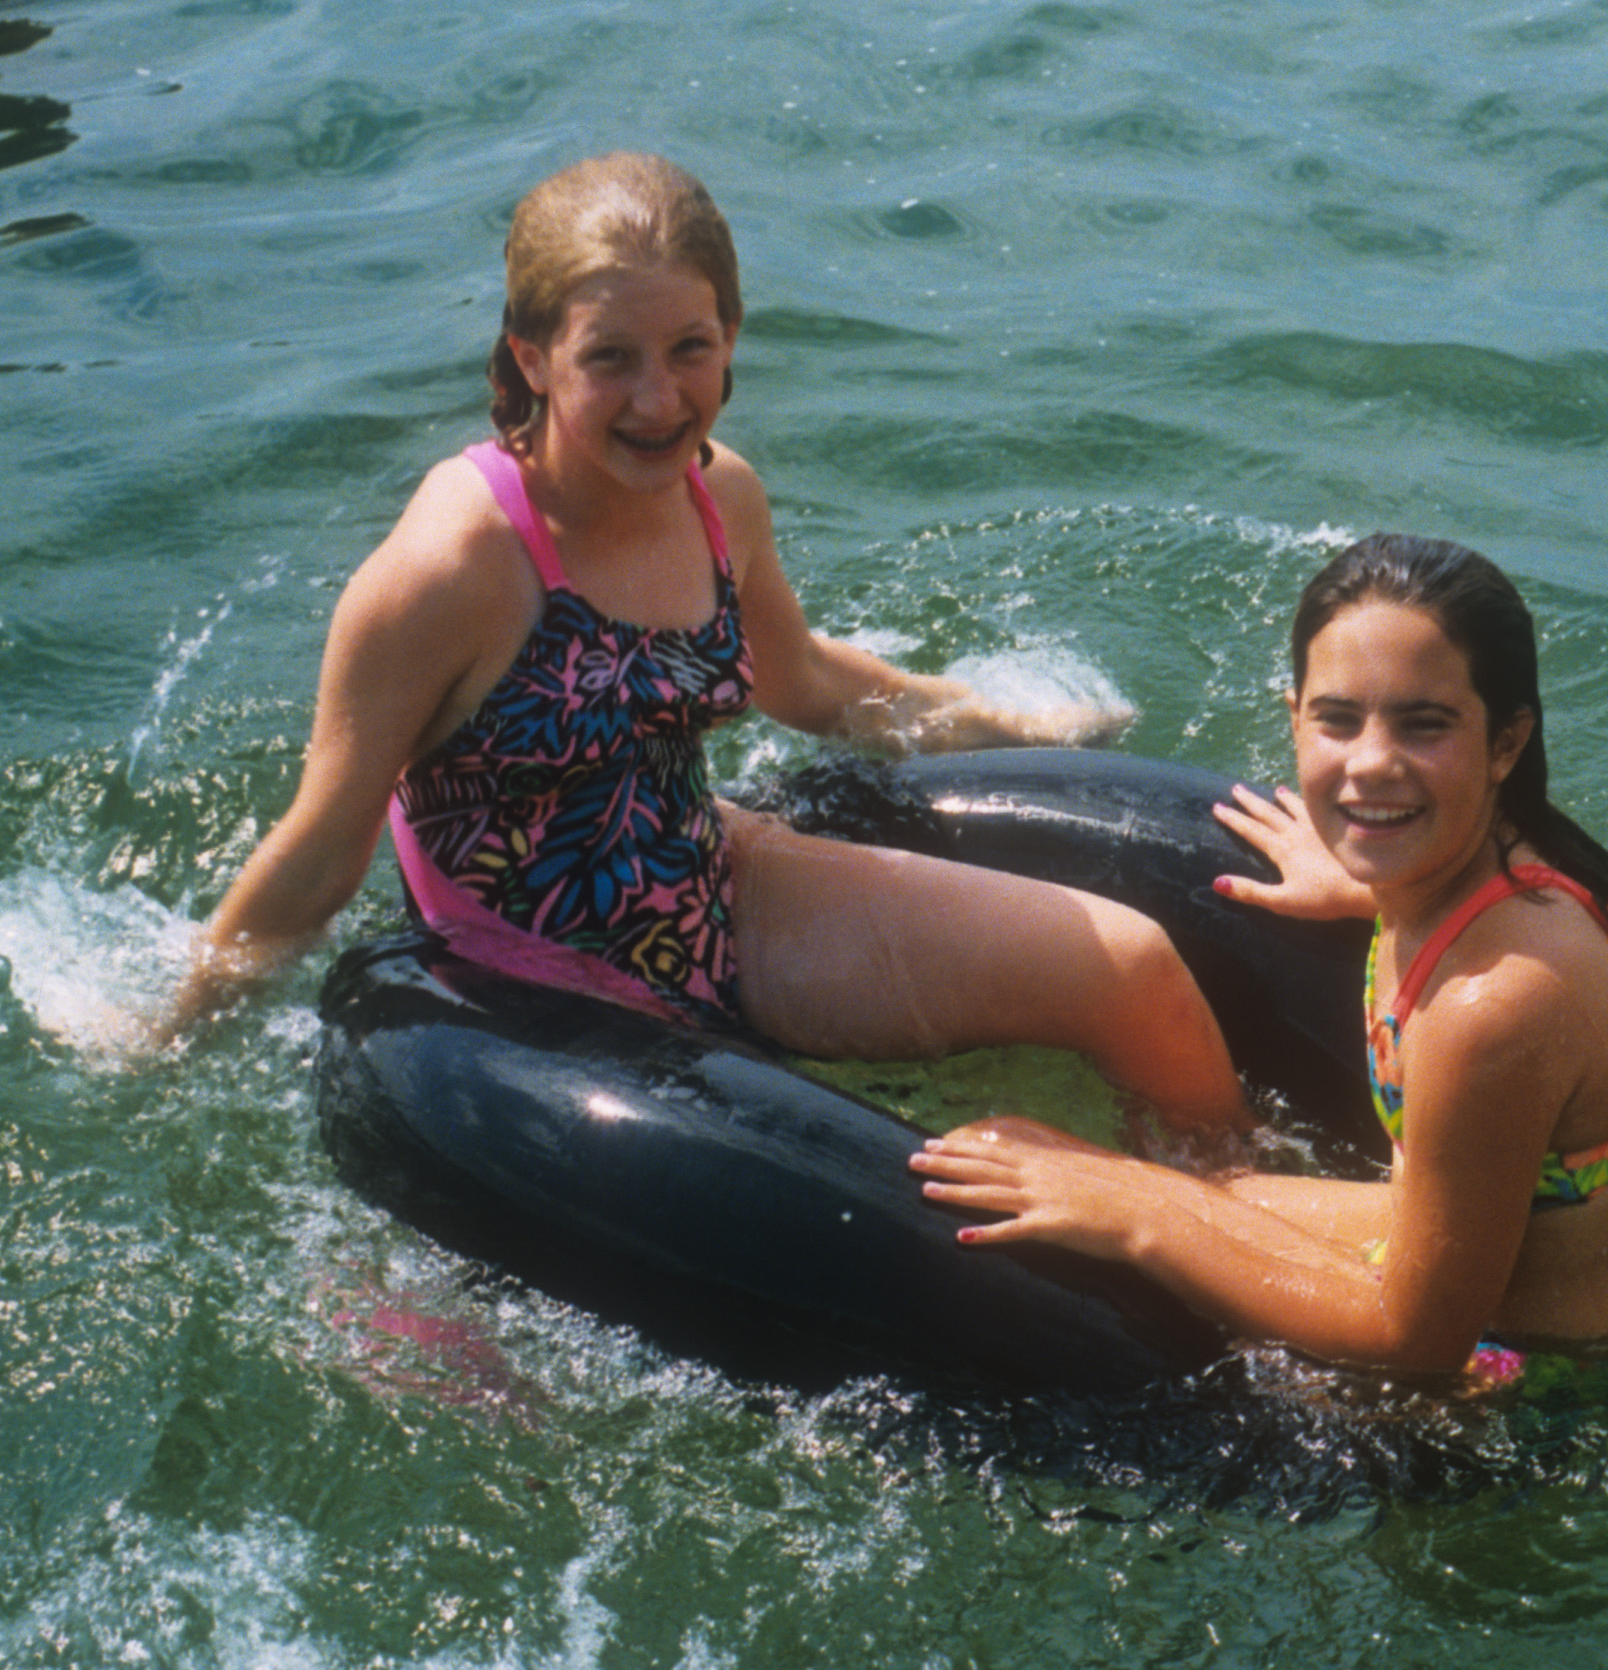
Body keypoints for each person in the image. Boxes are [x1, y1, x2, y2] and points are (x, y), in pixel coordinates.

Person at [156, 151, 1249, 1137]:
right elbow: (322, 848)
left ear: (731, 334)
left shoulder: (721, 499)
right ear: (532, 358)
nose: (658, 399)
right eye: (610, 358)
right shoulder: (454, 569)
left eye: (691, 348)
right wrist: (169, 1031)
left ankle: (1239, 1200)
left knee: (1131, 967)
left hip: (716, 889)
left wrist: (1004, 721)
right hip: (520, 988)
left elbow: (804, 681)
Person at [913, 534, 1608, 1385]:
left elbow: (1413, 1342)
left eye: (1424, 725)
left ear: (1506, 743)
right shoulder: (1522, 868)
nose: (1371, 764)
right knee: (1211, 1186)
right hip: (1526, 1261)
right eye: (1338, 719)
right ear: (1294, 717)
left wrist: (1135, 1211)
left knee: (1139, 1234)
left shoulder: (1491, 1009)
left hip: (1532, 1383)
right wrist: (1375, 886)